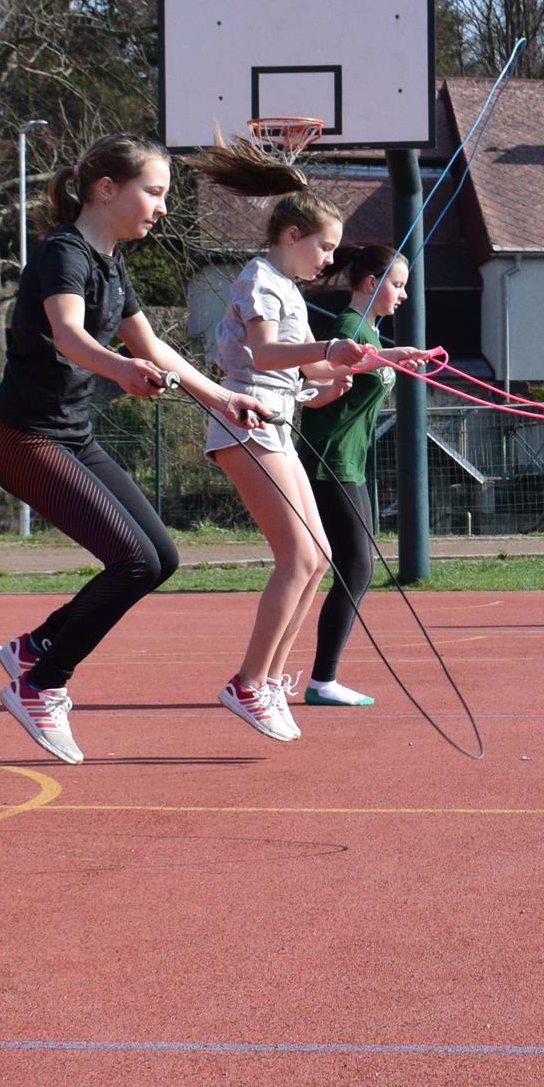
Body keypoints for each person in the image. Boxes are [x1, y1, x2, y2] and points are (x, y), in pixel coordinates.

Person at [0, 135, 271, 764]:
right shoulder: (63, 254)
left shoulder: (111, 262)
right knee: (133, 561)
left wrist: (223, 398)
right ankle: (40, 685)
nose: (163, 208)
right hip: (24, 439)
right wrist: (119, 369)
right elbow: (68, 335)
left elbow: (154, 348)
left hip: (71, 436)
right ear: (106, 189)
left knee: (160, 558)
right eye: (155, 192)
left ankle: (38, 646)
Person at [202, 156, 380, 741]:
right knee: (298, 557)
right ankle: (249, 683)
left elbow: (313, 372)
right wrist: (326, 351)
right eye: (324, 247)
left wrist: (383, 359)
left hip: (276, 423)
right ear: (292, 235)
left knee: (320, 556)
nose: (329, 260)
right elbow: (263, 354)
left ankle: (271, 679)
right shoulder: (259, 278)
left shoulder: (290, 290)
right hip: (246, 421)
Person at [297, 241, 433, 708]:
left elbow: (369, 361)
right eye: (397, 285)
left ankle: (312, 678)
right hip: (328, 462)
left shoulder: (369, 333)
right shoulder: (347, 328)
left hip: (349, 464)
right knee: (354, 567)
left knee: (350, 567)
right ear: (371, 283)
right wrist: (391, 357)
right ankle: (320, 680)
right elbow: (321, 377)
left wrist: (397, 356)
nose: (403, 295)